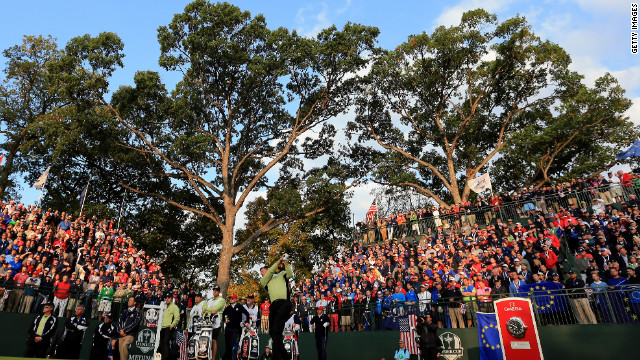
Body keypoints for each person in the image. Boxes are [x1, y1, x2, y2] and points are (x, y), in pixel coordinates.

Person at [260, 255, 293, 360]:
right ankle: (284, 356)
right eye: (261, 274)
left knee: (275, 330)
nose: (262, 275)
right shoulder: (264, 281)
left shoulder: (281, 274)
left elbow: (290, 274)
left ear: (268, 269)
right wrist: (279, 260)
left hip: (284, 304)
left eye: (263, 272)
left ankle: (278, 357)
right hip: (274, 306)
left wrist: (286, 262)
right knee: (273, 332)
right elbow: (270, 273)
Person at [222, 294, 251, 360]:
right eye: (230, 298)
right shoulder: (228, 307)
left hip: (236, 329)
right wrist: (224, 320)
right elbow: (224, 313)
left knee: (231, 345)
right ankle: (228, 358)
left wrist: (247, 321)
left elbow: (247, 313)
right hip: (228, 328)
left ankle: (224, 358)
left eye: (232, 298)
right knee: (227, 346)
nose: (231, 300)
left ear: (235, 299)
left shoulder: (239, 306)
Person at [206, 285, 226, 359]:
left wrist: (209, 309)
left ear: (219, 292)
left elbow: (216, 309)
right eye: (214, 290)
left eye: (216, 290)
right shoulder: (210, 300)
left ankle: (213, 358)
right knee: (207, 339)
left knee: (214, 340)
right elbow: (206, 309)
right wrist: (210, 310)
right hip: (208, 322)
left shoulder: (222, 300)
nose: (214, 292)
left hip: (217, 322)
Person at [160, 293, 180, 360]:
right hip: (163, 327)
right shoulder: (166, 308)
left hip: (169, 327)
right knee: (162, 344)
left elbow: (177, 317)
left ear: (172, 299)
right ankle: (164, 358)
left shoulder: (175, 307)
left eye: (168, 298)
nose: (167, 299)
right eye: (166, 298)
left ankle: (166, 358)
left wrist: (172, 325)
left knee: (166, 343)